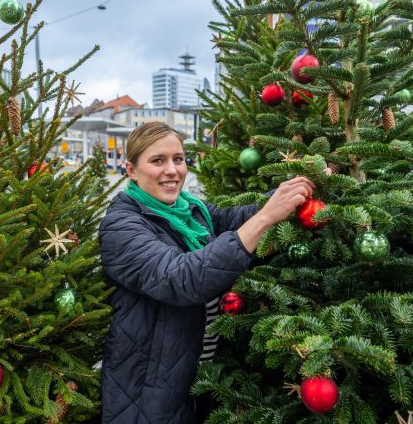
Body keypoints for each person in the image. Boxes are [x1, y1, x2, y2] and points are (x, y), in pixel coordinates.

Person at [98, 122, 314, 423]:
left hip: (201, 378)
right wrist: (267, 217)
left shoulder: (190, 210)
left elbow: (235, 218)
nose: (172, 170)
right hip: (151, 392)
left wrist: (298, 189)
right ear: (131, 170)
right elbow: (182, 278)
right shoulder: (122, 225)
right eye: (157, 161)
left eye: (178, 159)